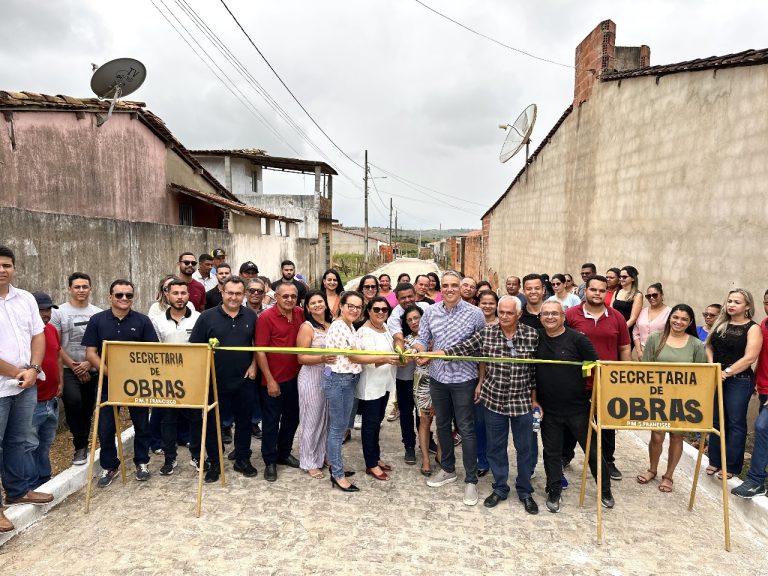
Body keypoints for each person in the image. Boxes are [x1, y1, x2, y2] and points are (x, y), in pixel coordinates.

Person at [434, 296, 540, 513]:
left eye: (509, 313)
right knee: (495, 448)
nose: (504, 316)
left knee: (525, 448)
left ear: (519, 314)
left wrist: (535, 399)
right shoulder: (487, 333)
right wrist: (438, 354)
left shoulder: (532, 335)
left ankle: (525, 491)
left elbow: (536, 371)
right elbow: (463, 348)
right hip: (494, 401)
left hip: (522, 403)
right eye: (501, 312)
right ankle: (500, 488)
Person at [413, 271, 485, 506]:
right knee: (442, 424)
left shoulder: (475, 314)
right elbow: (422, 337)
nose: (450, 289)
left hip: (464, 378)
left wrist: (480, 381)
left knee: (466, 428)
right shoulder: (431, 312)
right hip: (438, 378)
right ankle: (448, 469)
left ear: (462, 288)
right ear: (440, 288)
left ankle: (471, 479)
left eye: (455, 285)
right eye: (446, 285)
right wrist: (418, 350)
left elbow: (481, 349)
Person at [536, 301, 614, 512]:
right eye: (545, 314)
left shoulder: (578, 339)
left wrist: (595, 398)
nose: (550, 317)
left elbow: (596, 367)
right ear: (540, 317)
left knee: (593, 452)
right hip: (549, 410)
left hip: (578, 409)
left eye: (554, 313)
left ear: (563, 317)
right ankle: (554, 490)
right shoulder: (537, 338)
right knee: (551, 453)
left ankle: (604, 489)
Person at [83, 279, 160, 487]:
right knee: (106, 427)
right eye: (119, 295)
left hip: (138, 383)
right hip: (107, 382)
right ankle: (110, 465)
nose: (124, 299)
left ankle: (142, 462)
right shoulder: (97, 320)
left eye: (129, 295)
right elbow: (91, 354)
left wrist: (134, 376)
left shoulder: (143, 321)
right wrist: (113, 374)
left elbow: (153, 353)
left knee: (142, 424)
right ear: (110, 297)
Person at [0, 246, 52, 533]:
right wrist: (16, 372)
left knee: (18, 441)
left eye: (6, 265)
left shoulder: (26, 299)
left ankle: (18, 489)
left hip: (26, 384)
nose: (2, 270)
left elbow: (38, 334)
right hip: (2, 385)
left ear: (14, 268)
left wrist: (33, 368)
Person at [189, 276, 259, 483]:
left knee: (245, 422)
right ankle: (215, 462)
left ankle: (242, 459)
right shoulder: (206, 317)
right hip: (214, 380)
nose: (234, 297)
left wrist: (254, 365)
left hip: (244, 379)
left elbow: (258, 345)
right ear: (222, 292)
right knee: (212, 423)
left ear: (244, 294)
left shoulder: (251, 316)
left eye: (238, 293)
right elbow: (196, 349)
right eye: (230, 293)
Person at [565, 275, 631, 481]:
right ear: (585, 291)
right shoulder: (570, 315)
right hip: (575, 379)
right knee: (571, 422)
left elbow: (624, 347)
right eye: (593, 290)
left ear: (606, 293)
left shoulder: (617, 317)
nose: (597, 294)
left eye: (601, 290)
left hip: (606, 380)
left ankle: (607, 461)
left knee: (606, 423)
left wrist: (624, 375)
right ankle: (564, 457)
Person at [636, 304, 707, 493]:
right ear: (670, 318)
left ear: (690, 322)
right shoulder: (655, 339)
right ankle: (652, 469)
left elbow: (701, 375)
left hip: (683, 400)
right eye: (675, 317)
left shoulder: (696, 345)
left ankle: (668, 476)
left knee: (677, 436)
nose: (679, 322)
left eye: (684, 319)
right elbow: (646, 367)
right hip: (657, 396)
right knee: (656, 435)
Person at [705, 289, 762, 480]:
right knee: (715, 421)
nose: (731, 305)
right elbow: (709, 345)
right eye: (729, 301)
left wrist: (727, 372)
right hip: (716, 376)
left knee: (735, 423)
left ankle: (731, 465)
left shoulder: (752, 328)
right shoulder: (721, 323)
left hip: (739, 380)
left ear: (747, 306)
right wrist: (714, 367)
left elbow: (750, 357)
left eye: (737, 302)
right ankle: (714, 460)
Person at [150, 279, 202, 475]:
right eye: (175, 293)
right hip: (167, 380)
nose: (179, 297)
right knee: (168, 420)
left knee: (196, 418)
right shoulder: (157, 321)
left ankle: (196, 456)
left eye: (183, 293)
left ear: (188, 295)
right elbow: (153, 350)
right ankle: (170, 459)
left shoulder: (199, 318)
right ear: (167, 295)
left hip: (193, 377)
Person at [256, 283, 305, 482]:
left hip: (295, 379)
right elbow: (260, 351)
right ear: (276, 296)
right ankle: (270, 461)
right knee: (270, 422)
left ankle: (283, 453)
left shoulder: (300, 314)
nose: (289, 300)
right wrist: (270, 380)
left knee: (292, 419)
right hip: (273, 380)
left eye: (293, 296)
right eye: (285, 296)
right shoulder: (266, 318)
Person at [52, 272, 101, 466]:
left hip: (91, 366)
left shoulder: (97, 313)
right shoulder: (58, 312)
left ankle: (85, 441)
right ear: (69, 289)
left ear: (91, 289)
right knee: (73, 402)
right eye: (77, 287)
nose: (81, 290)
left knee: (88, 407)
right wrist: (73, 365)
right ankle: (79, 446)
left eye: (85, 287)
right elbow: (55, 343)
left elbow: (100, 342)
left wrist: (89, 363)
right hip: (67, 367)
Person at [323, 291, 366, 492]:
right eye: (351, 306)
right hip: (339, 381)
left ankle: (336, 465)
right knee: (337, 430)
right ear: (342, 305)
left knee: (339, 427)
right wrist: (383, 359)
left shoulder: (350, 326)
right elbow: (354, 357)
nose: (355, 310)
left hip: (348, 380)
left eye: (358, 307)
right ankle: (337, 474)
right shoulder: (339, 326)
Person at [355, 296, 400, 481]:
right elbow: (366, 359)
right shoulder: (365, 332)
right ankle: (371, 463)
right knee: (370, 424)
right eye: (377, 309)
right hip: (371, 385)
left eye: (384, 309)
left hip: (384, 384)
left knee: (377, 423)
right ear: (369, 311)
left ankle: (376, 457)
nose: (381, 312)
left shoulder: (385, 327)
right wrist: (388, 359)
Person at [386, 282, 431, 458]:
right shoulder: (394, 316)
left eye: (410, 296)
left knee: (424, 411)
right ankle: (409, 445)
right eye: (402, 297)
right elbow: (398, 338)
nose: (407, 300)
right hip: (405, 374)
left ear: (415, 294)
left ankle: (426, 441)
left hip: (425, 372)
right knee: (406, 411)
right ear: (397, 299)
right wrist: (402, 353)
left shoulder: (426, 307)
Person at [732, 289, 768, 498]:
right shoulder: (763, 324)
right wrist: (755, 378)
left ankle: (755, 481)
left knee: (762, 427)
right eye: (767, 302)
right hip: (762, 388)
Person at [26, 292, 62, 489]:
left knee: (45, 444)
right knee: (29, 445)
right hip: (32, 400)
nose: (46, 313)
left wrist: (60, 383)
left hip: (51, 399)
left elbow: (56, 357)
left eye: (48, 309)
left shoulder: (51, 330)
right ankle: (30, 486)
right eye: (41, 309)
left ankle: (44, 481)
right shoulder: (25, 333)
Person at [296, 290, 334, 480]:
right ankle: (309, 461)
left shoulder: (331, 324)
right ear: (308, 308)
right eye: (313, 303)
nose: (318, 305)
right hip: (311, 376)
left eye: (320, 301)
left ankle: (322, 455)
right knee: (311, 419)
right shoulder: (307, 327)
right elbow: (301, 357)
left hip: (329, 377)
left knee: (326, 418)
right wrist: (322, 357)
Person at [401, 305, 439, 475]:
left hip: (443, 380)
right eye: (409, 320)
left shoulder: (438, 332)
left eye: (416, 318)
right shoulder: (409, 340)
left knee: (443, 421)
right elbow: (419, 359)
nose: (414, 322)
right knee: (424, 420)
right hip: (422, 383)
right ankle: (425, 459)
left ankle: (440, 454)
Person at [632, 283, 671, 359]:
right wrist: (639, 351)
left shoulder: (670, 312)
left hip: (663, 353)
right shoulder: (642, 311)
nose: (651, 298)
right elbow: (635, 333)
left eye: (655, 295)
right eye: (648, 296)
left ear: (661, 295)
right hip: (641, 354)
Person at [611, 266, 643, 338]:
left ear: (632, 278)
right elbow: (610, 311)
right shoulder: (616, 292)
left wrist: (620, 330)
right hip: (613, 328)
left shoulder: (637, 295)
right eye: (620, 277)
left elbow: (633, 318)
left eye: (624, 277)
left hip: (626, 330)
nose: (621, 279)